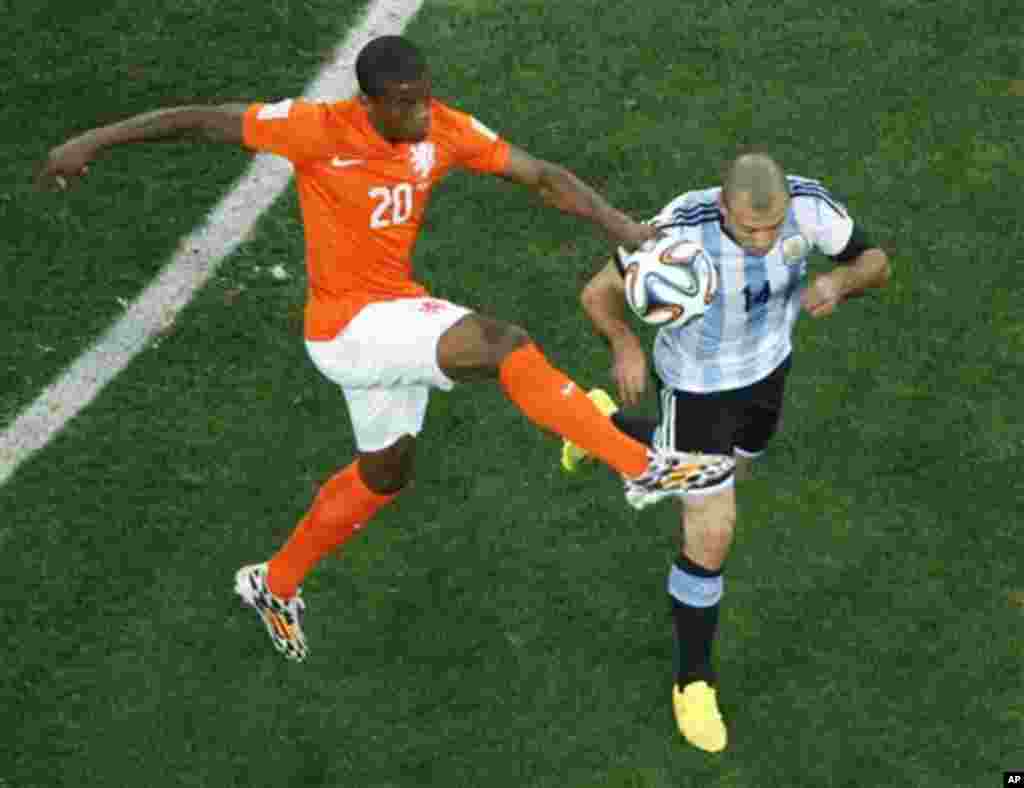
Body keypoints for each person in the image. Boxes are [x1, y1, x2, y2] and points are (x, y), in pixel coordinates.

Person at [39, 36, 735, 664]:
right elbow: (200, 118)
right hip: (348, 326)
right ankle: (640, 467)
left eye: (425, 96)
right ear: (368, 103)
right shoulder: (316, 130)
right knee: (502, 344)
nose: (422, 113)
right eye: (405, 104)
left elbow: (542, 175)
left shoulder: (443, 129)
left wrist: (618, 224)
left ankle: (272, 584)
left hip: (389, 315)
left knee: (384, 476)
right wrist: (93, 141)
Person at [561, 150, 891, 752]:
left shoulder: (810, 207)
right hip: (695, 388)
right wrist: (624, 344)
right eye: (748, 229)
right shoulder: (680, 229)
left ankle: (594, 425)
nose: (764, 241)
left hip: (768, 375)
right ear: (722, 207)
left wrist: (841, 281)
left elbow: (876, 262)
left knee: (732, 465)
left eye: (773, 227)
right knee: (712, 530)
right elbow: (597, 293)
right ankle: (693, 681)